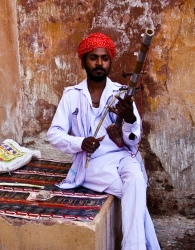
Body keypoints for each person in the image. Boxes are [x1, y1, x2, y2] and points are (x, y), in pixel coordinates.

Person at [47, 33, 160, 250]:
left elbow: (133, 139)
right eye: (93, 58)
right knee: (134, 194)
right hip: (92, 163)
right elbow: (54, 134)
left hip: (122, 157)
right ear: (83, 61)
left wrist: (130, 119)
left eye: (104, 58)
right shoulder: (71, 95)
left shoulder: (121, 93)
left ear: (110, 62)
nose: (99, 63)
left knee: (135, 176)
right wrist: (81, 143)